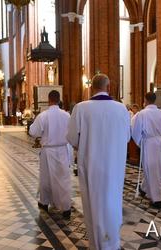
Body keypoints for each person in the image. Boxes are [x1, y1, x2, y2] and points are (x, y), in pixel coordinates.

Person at [67, 74, 130, 250]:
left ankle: (96, 244)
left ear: (91, 87)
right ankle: (112, 242)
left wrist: (87, 144)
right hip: (114, 165)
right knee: (112, 200)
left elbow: (71, 138)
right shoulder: (121, 109)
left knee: (92, 202)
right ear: (108, 87)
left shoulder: (81, 108)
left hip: (91, 163)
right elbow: (127, 137)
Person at [29, 90, 72, 219]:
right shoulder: (67, 115)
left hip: (48, 151)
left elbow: (33, 132)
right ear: (59, 100)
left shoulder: (43, 115)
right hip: (63, 150)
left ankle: (44, 202)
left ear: (49, 100)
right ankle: (66, 208)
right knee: (63, 178)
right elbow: (72, 132)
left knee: (46, 178)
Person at [131, 92, 161, 209]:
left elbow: (135, 129)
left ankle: (156, 199)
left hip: (148, 142)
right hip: (158, 141)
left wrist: (140, 141)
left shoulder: (142, 114)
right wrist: (158, 135)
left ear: (145, 100)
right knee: (157, 167)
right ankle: (144, 188)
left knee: (150, 168)